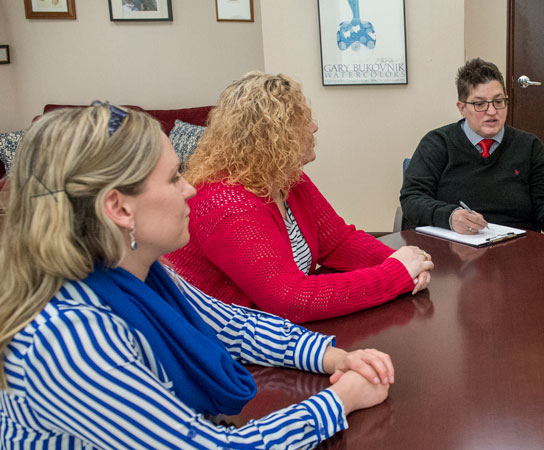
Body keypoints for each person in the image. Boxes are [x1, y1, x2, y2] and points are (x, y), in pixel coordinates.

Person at [0, 103, 396, 448]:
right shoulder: (68, 336)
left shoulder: (141, 274)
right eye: (174, 178)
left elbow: (234, 326)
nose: (190, 190)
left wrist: (334, 356)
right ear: (119, 208)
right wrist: (339, 401)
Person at [166, 72, 433, 323]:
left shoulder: (286, 179)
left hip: (273, 331)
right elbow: (290, 300)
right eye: (303, 121)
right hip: (226, 347)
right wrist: (394, 273)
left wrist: (402, 261)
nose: (314, 127)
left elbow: (338, 242)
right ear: (274, 137)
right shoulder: (226, 203)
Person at [400, 58, 544, 236]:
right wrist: (451, 217)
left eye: (499, 101)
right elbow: (412, 199)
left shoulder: (529, 146)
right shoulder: (438, 143)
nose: (492, 111)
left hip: (517, 251)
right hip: (454, 246)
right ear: (462, 108)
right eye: (480, 104)